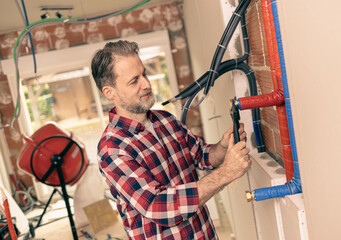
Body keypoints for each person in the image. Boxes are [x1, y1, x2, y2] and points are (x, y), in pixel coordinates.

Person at [91, 40, 251, 240]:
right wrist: (227, 172)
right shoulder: (112, 149)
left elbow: (201, 155)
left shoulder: (166, 120)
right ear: (109, 92)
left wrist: (223, 146)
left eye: (144, 74)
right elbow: (158, 206)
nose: (146, 84)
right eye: (134, 81)